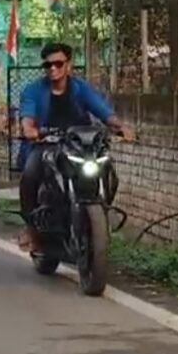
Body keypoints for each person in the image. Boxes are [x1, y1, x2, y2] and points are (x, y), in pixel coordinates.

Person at [17, 42, 133, 252]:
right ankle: (31, 228)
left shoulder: (81, 89)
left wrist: (121, 127)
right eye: (48, 65)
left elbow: (103, 111)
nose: (53, 68)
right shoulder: (33, 90)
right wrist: (30, 129)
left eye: (58, 63)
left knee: (107, 167)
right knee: (29, 175)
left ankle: (102, 212)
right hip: (46, 145)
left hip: (80, 145)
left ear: (68, 65)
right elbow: (27, 117)